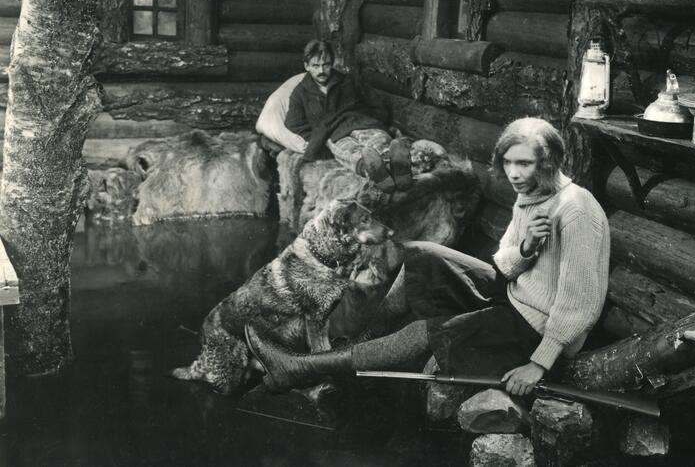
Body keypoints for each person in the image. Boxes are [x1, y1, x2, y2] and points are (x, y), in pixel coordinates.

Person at [246, 117, 610, 398]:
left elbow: (581, 302)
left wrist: (539, 363)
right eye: (509, 163)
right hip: (514, 294)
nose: (514, 173)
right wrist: (527, 250)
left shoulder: (575, 210)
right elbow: (503, 260)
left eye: (525, 164)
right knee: (422, 256)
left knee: (429, 334)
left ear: (548, 163)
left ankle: (301, 368)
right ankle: (359, 348)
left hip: (540, 327)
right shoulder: (530, 193)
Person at [284, 39, 412, 192]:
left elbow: (378, 103)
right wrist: (317, 136)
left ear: (332, 63)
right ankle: (375, 173)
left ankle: (399, 168)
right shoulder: (300, 93)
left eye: (326, 64)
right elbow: (293, 122)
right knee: (348, 152)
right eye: (315, 66)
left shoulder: (349, 81)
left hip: (362, 123)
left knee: (379, 140)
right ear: (307, 66)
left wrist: (375, 122)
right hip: (335, 133)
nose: (321, 71)